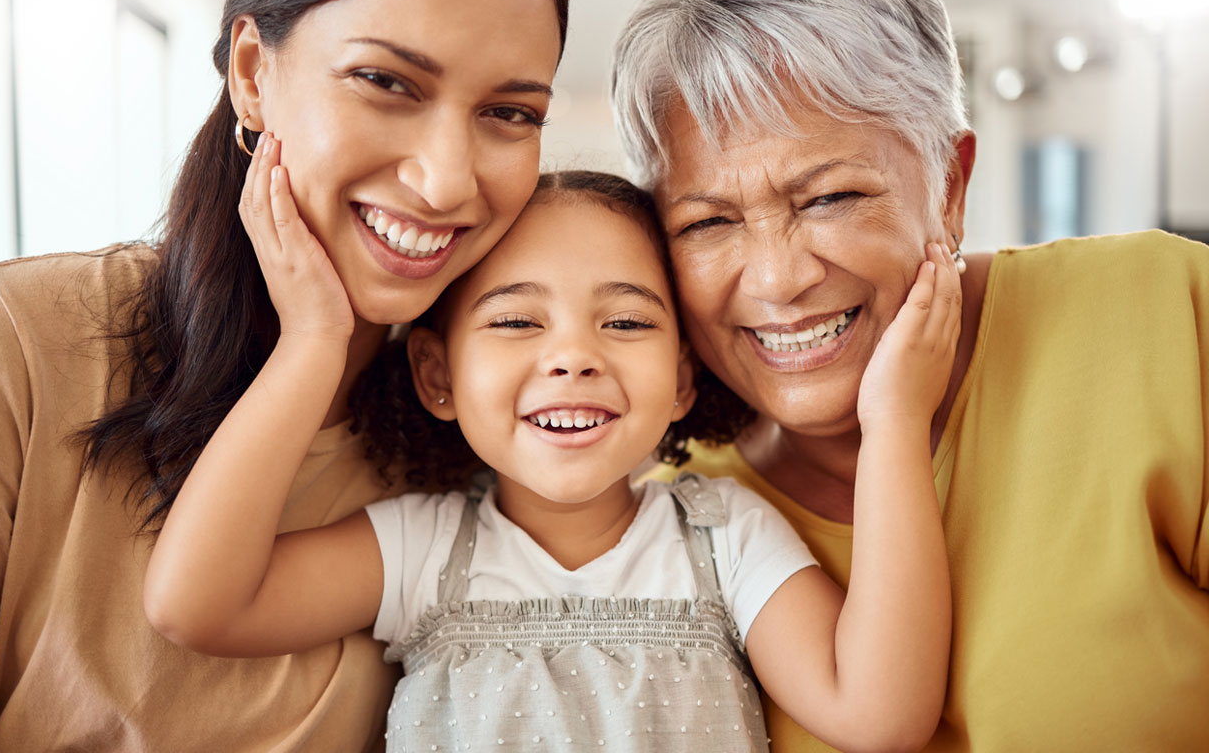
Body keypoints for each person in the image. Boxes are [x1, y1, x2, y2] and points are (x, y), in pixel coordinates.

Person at [0, 0, 569, 749]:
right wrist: (312, 346)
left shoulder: (504, 436)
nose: (444, 182)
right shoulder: (14, 345)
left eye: (511, 113)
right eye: (387, 81)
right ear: (252, 73)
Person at [143, 168, 961, 753]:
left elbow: (879, 714)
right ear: (437, 376)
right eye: (516, 323)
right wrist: (313, 343)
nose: (573, 357)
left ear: (681, 378)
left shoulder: (724, 540)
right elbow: (196, 604)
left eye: (627, 323)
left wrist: (891, 420)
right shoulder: (423, 553)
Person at [611, 0, 1209, 750]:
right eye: (708, 224)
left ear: (950, 189)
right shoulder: (669, 524)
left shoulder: (1158, 308)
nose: (780, 279)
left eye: (829, 198)